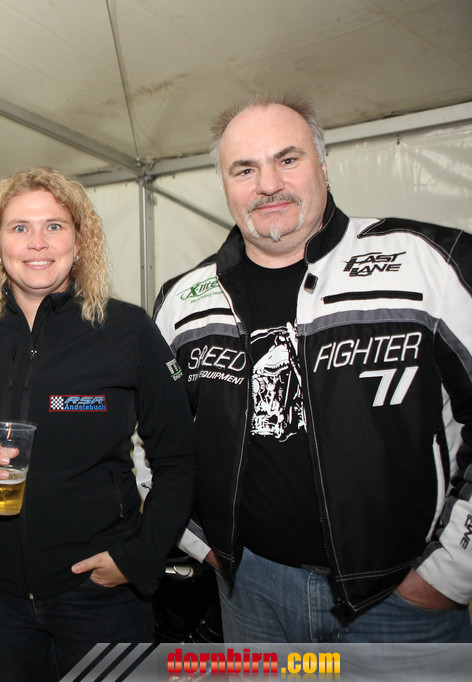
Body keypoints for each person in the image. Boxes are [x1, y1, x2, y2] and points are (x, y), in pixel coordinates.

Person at [152, 92, 472, 642]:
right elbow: (150, 433)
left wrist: (449, 572)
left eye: (287, 159)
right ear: (225, 184)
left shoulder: (429, 264)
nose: (268, 184)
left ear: (323, 166)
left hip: (401, 604)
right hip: (249, 592)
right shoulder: (182, 301)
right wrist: (197, 541)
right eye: (244, 169)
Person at [0, 167, 196, 680]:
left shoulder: (127, 331)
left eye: (54, 226)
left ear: (79, 240)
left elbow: (179, 459)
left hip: (101, 595)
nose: (37, 243)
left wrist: (139, 558)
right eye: (19, 228)